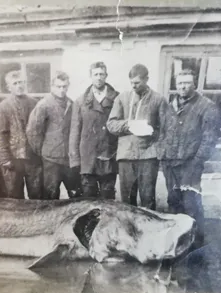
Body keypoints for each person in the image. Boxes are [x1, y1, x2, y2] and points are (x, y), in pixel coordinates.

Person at [157, 69, 220, 248]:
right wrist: (163, 154)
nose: (183, 87)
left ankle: (196, 244)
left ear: (194, 84)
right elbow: (163, 131)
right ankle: (177, 242)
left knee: (191, 204)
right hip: (170, 163)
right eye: (180, 84)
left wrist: (197, 161)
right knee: (173, 202)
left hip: (190, 164)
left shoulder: (206, 106)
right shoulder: (171, 106)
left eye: (187, 83)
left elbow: (210, 138)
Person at [107, 64, 167, 210]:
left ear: (146, 79)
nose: (134, 86)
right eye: (131, 83)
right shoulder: (122, 98)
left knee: (148, 199)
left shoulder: (158, 100)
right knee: (127, 201)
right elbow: (111, 124)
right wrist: (129, 125)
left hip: (148, 156)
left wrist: (151, 132)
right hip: (126, 156)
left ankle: (150, 231)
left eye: (137, 83)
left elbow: (166, 128)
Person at [26, 71, 82, 199]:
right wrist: (43, 150)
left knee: (76, 194)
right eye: (58, 86)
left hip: (69, 159)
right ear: (52, 87)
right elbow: (33, 131)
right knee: (51, 194)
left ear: (68, 86)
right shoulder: (44, 105)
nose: (62, 90)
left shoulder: (71, 104)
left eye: (64, 86)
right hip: (51, 160)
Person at [69, 61, 119, 199]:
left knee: (107, 196)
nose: (99, 77)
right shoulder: (80, 101)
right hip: (88, 158)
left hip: (108, 155)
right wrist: (75, 159)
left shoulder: (117, 99)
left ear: (106, 76)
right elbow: (75, 131)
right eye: (95, 74)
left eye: (101, 74)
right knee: (88, 197)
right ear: (90, 76)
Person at [0, 70, 43, 199]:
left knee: (37, 195)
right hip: (13, 160)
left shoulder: (35, 103)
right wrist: (5, 159)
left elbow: (41, 129)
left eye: (21, 82)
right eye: (15, 83)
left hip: (33, 158)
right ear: (9, 87)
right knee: (14, 196)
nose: (19, 86)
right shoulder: (2, 107)